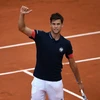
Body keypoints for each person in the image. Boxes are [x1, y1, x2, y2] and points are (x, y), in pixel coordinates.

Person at [18, 6, 84, 100]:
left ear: (62, 25)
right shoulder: (40, 36)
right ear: (50, 24)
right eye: (53, 24)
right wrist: (22, 14)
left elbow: (72, 63)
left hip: (55, 83)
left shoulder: (66, 44)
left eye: (58, 24)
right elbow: (22, 28)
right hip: (38, 81)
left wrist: (79, 82)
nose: (56, 26)